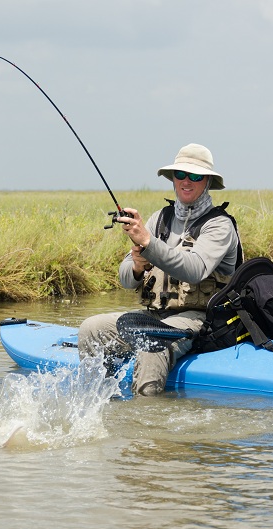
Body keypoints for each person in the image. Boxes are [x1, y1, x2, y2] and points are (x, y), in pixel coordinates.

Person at [77, 143, 242, 396]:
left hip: (200, 320)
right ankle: (98, 404)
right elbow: (126, 281)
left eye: (195, 176)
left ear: (207, 181)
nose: (187, 181)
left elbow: (195, 269)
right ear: (173, 179)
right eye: (181, 174)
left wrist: (147, 242)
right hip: (155, 315)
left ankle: (149, 425)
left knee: (151, 342)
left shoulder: (219, 225)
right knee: (92, 328)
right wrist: (137, 265)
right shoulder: (159, 219)